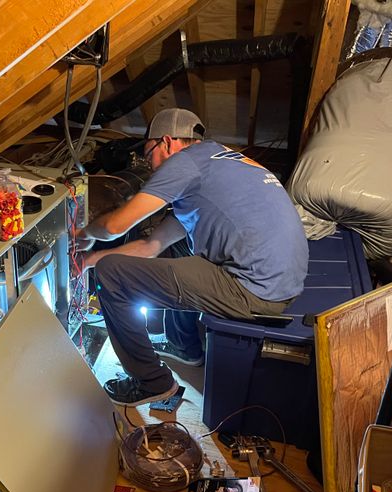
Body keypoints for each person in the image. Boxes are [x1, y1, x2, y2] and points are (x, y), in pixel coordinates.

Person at [76, 108, 308, 407]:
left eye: (148, 154)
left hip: (255, 290)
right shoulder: (219, 161)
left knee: (111, 274)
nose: (148, 165)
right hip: (280, 281)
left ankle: (152, 382)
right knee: (180, 248)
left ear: (168, 142)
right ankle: (185, 347)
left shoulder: (183, 164)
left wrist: (85, 236)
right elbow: (151, 246)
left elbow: (113, 226)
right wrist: (89, 260)